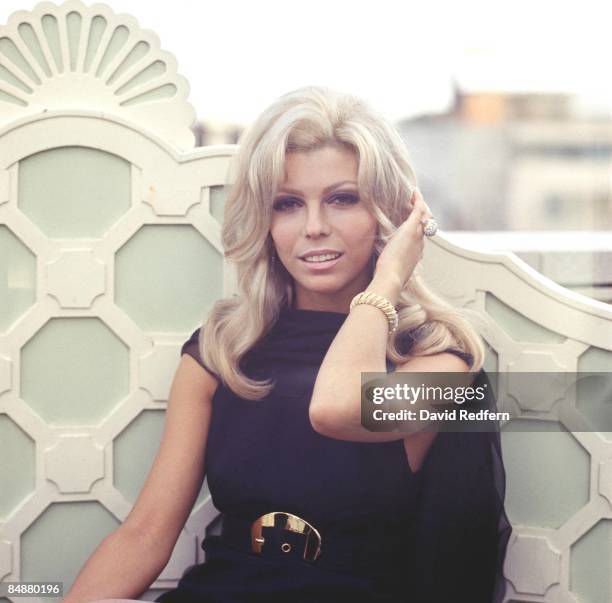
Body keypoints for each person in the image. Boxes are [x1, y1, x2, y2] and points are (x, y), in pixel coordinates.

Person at [63, 86, 511, 603]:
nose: (314, 228)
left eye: (344, 199)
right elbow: (144, 536)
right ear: (266, 220)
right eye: (288, 204)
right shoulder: (222, 354)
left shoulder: (440, 363)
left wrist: (385, 284)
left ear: (387, 214)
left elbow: (337, 408)